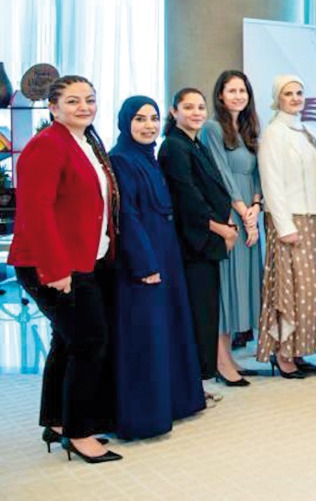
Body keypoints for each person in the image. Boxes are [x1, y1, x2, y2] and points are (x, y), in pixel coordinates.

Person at [10, 75, 122, 463]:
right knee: (90, 343)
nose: (84, 107)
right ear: (53, 108)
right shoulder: (47, 145)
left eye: (90, 99)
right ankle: (79, 432)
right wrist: (55, 269)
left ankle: (56, 420)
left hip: (83, 260)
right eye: (73, 101)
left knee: (68, 341)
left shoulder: (83, 143)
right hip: (54, 265)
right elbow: (36, 214)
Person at [108, 95, 206, 439]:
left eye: (152, 118)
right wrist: (144, 262)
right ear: (125, 122)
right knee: (145, 335)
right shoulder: (120, 159)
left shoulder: (148, 157)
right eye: (139, 119)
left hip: (166, 252)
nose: (148, 125)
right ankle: (144, 418)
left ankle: (175, 403)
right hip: (143, 258)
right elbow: (128, 216)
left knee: (169, 328)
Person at [158, 88, 238, 389]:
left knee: (206, 314)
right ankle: (195, 383)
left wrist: (226, 222)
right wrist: (221, 229)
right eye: (188, 107)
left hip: (207, 241)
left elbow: (212, 189)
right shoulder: (173, 147)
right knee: (197, 315)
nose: (196, 113)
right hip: (193, 244)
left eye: (200, 107)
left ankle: (199, 382)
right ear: (173, 111)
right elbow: (187, 198)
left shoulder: (194, 143)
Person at [256, 74, 316, 378]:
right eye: (288, 93)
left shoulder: (308, 131)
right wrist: (284, 225)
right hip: (290, 221)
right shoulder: (274, 133)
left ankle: (298, 351)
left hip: (314, 219)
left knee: (308, 292)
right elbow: (272, 182)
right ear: (277, 98)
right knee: (289, 290)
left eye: (299, 92)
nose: (295, 98)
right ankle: (283, 355)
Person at [201, 69, 264, 383]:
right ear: (221, 95)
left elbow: (255, 173)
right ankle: (220, 359)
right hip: (228, 215)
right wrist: (242, 211)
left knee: (243, 286)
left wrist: (255, 207)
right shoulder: (211, 129)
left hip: (250, 215)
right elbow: (221, 174)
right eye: (232, 90)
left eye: (243, 90)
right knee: (225, 288)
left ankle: (229, 355)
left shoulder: (249, 129)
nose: (238, 96)